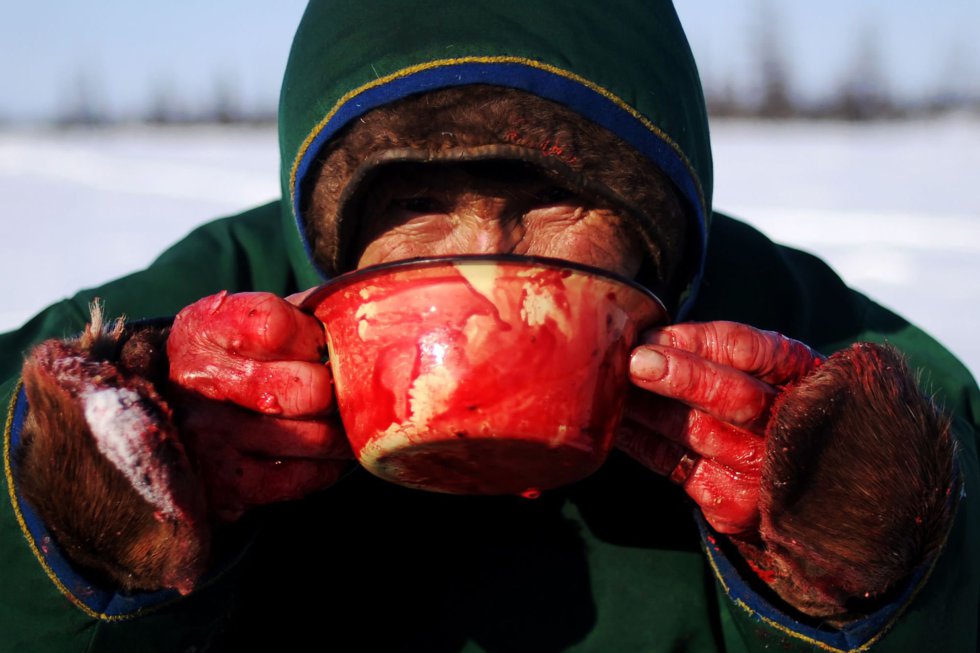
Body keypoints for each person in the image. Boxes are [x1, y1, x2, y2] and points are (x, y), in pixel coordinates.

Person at [1, 1, 977, 651]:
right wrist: (81, 514)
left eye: (551, 194)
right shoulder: (216, 314)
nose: (487, 251)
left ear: (655, 224)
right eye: (417, 199)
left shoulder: (781, 334)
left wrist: (873, 539)